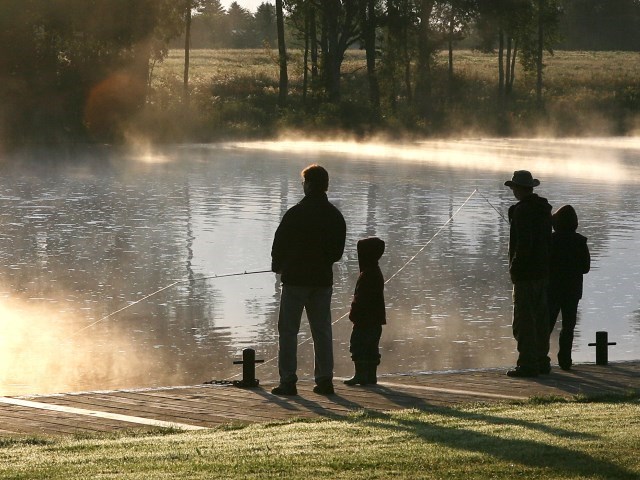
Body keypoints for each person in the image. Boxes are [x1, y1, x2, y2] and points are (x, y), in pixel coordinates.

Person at [270, 164, 347, 396]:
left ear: (310, 185)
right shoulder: (335, 216)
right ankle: (324, 381)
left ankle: (288, 382)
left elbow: (278, 246)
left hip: (294, 281)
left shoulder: (295, 213)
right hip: (322, 281)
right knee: (322, 331)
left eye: (304, 182)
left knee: (288, 331)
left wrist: (278, 268)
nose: (302, 186)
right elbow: (337, 253)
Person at [504, 170, 553, 377]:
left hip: (526, 274)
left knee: (523, 321)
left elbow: (523, 244)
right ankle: (542, 361)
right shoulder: (543, 209)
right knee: (540, 319)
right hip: (543, 272)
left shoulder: (522, 211)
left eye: (514, 187)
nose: (513, 190)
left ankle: (527, 365)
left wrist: (515, 268)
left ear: (519, 189)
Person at [548, 205, 591, 371]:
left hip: (552, 288)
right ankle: (565, 359)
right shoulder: (580, 242)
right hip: (573, 290)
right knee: (568, 326)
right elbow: (585, 268)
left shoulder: (550, 240)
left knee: (547, 324)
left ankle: (541, 357)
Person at [344, 237, 386, 386]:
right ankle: (370, 376)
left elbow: (360, 299)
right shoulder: (375, 270)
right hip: (375, 321)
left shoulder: (367, 274)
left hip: (364, 321)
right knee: (371, 347)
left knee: (358, 346)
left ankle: (360, 375)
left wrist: (353, 314)